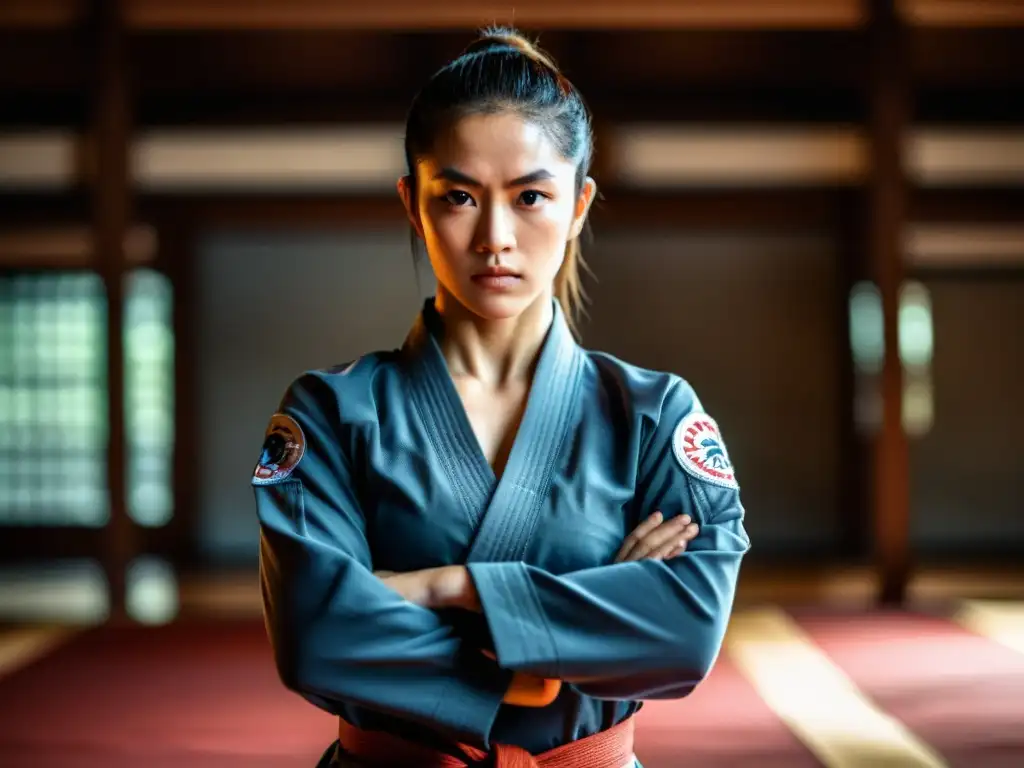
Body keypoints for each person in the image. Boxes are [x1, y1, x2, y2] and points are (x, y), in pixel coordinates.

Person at [252, 26, 751, 768]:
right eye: (457, 196)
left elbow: (687, 627)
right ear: (411, 205)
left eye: (530, 197)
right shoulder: (332, 413)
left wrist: (444, 586)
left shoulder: (653, 415)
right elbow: (318, 634)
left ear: (579, 203)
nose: (495, 237)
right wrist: (552, 646)